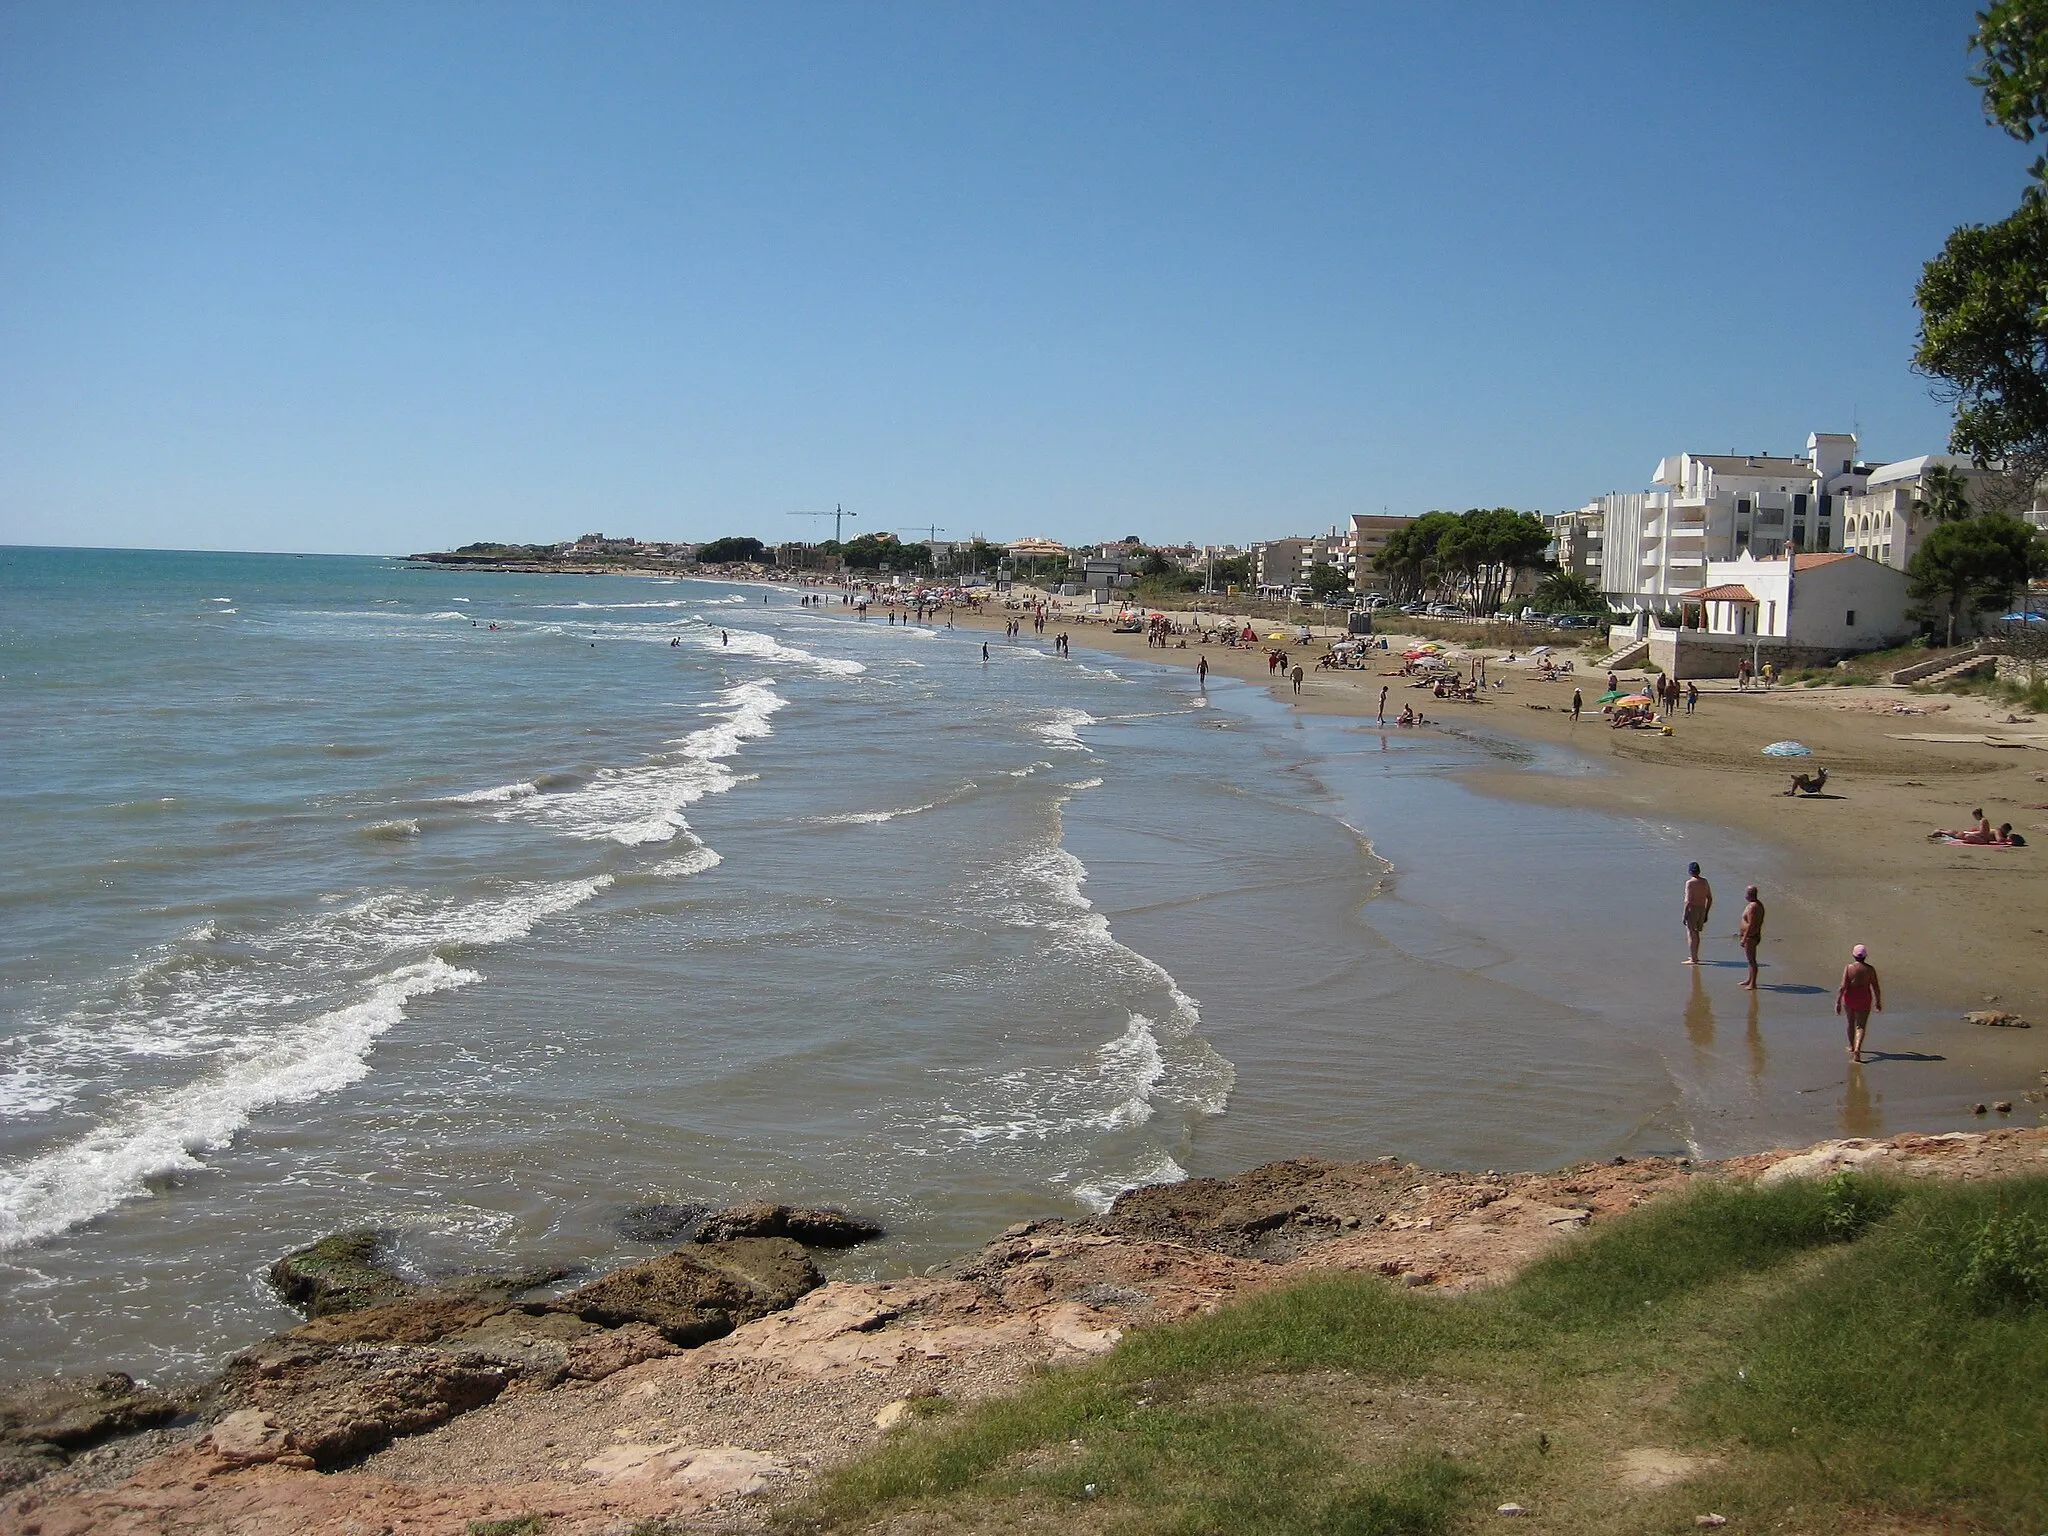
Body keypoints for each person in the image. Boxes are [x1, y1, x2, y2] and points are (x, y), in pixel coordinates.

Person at [1836, 944, 1881, 1061]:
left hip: (1850, 997)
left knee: (1850, 1022)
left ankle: (1851, 1046)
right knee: (1860, 1025)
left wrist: (1838, 1002)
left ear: (1853, 955)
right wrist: (1878, 1001)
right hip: (1864, 998)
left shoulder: (1849, 968)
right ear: (1866, 956)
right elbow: (1875, 986)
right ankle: (1858, 1049)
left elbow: (1842, 986)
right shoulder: (1870, 969)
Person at [1682, 862, 1712, 965]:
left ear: (1690, 871)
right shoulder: (1705, 882)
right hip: (1702, 909)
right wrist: (1706, 912)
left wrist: (1684, 914)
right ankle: (1695, 955)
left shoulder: (1689, 883)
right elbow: (1709, 898)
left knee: (1691, 933)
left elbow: (1688, 901)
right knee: (1697, 933)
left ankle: (1693, 959)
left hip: (1692, 909)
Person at [1736, 885, 1765, 989]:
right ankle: (1749, 979)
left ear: (1749, 894)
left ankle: (1753, 983)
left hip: (1751, 936)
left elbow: (1752, 924)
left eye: (1746, 893)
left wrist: (1744, 938)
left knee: (1752, 960)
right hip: (1753, 935)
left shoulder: (1753, 907)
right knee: (1749, 960)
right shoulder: (1757, 904)